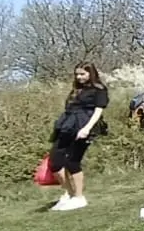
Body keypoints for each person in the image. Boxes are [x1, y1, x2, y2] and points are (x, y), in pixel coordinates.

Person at [45, 62, 109, 212]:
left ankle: (79, 197)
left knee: (72, 161)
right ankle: (68, 193)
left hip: (84, 125)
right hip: (66, 125)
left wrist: (87, 128)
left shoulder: (99, 89)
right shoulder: (76, 90)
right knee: (55, 161)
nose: (79, 77)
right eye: (77, 74)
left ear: (90, 73)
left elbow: (98, 111)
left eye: (83, 74)